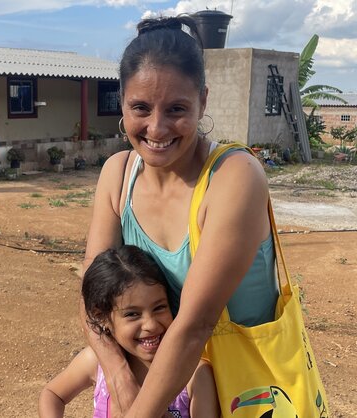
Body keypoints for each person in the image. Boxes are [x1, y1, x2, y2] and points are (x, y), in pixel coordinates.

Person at [81, 15, 277, 417]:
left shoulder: (234, 176)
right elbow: (92, 300)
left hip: (248, 394)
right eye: (140, 107)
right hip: (168, 396)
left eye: (176, 109)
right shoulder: (118, 176)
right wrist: (120, 378)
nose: (157, 128)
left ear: (203, 100)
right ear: (121, 103)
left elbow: (195, 324)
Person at [39, 246, 218, 418]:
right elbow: (52, 394)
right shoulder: (95, 362)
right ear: (102, 318)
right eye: (132, 314)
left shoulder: (195, 375)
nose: (150, 325)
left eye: (159, 308)